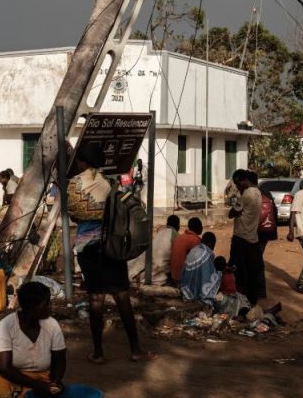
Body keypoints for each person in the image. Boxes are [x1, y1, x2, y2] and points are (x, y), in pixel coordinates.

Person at [70, 143, 154, 364]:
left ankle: (98, 352)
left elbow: (74, 216)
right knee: (122, 295)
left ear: (84, 161)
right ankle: (135, 349)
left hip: (86, 248)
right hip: (111, 246)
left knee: (96, 298)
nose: (77, 163)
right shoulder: (109, 183)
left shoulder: (74, 185)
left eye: (79, 160)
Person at [228, 169, 265, 304]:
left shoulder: (247, 194)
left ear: (244, 180)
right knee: (252, 272)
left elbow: (231, 213)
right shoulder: (258, 193)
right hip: (252, 238)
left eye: (238, 183)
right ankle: (252, 300)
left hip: (241, 238)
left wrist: (237, 206)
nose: (237, 186)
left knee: (236, 271)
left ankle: (238, 301)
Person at [132, 214, 177, 286]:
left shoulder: (161, 231)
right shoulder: (175, 234)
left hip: (150, 256)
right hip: (160, 262)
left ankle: (139, 276)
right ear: (177, 225)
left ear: (167, 224)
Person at [178, 231, 221, 302]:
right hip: (196, 293)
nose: (213, 249)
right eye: (213, 245)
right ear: (211, 243)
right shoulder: (208, 253)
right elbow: (208, 276)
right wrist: (220, 273)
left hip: (185, 289)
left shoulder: (194, 249)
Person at [169, 216, 203, 284]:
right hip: (183, 280)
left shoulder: (179, 237)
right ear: (198, 228)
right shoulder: (196, 240)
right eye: (201, 226)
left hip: (173, 277)